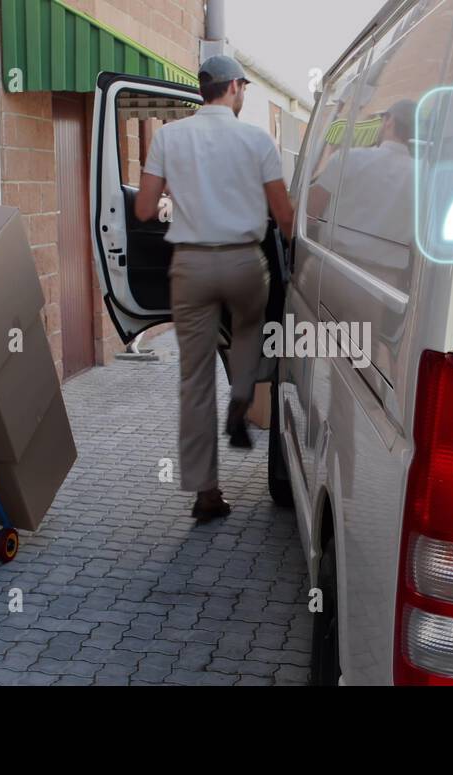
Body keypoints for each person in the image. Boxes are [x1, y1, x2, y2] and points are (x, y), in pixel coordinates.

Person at [133, 55, 295, 522]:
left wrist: (180, 194)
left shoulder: (168, 137)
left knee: (195, 380)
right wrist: (294, 256)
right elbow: (283, 215)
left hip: (191, 265)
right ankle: (242, 394)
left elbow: (142, 209)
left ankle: (206, 493)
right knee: (248, 331)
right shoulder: (257, 139)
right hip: (244, 260)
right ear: (236, 87)